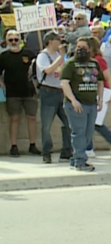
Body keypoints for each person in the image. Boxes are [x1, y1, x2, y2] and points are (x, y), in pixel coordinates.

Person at [60, 37, 102, 171]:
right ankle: (80, 161)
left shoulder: (94, 63)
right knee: (79, 132)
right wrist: (73, 100)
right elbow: (64, 83)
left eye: (83, 47)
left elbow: (100, 81)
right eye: (78, 47)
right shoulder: (70, 64)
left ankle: (75, 159)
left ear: (89, 49)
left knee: (88, 134)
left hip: (91, 103)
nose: (80, 50)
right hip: (76, 104)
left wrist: (100, 99)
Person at [1, 30, 40, 157]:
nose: (13, 42)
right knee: (14, 118)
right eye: (10, 39)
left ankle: (33, 145)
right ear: (6, 41)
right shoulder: (3, 56)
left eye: (16, 39)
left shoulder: (29, 54)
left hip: (29, 91)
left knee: (32, 118)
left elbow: (37, 71)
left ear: (20, 40)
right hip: (12, 92)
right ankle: (13, 146)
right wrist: (3, 87)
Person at [35, 32, 71, 164]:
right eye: (58, 40)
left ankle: (67, 151)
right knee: (47, 125)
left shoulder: (58, 55)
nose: (60, 43)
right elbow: (48, 70)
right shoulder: (42, 56)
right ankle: (46, 152)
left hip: (61, 91)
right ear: (50, 41)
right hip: (48, 91)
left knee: (68, 122)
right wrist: (61, 57)